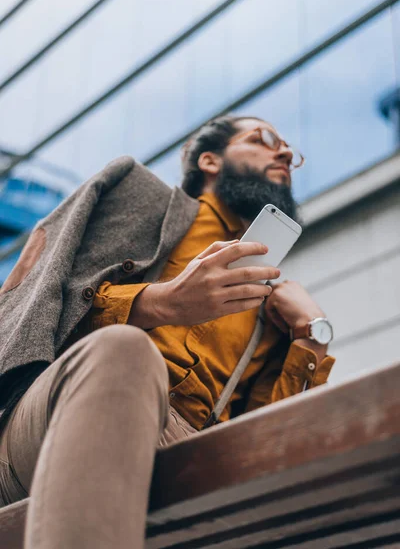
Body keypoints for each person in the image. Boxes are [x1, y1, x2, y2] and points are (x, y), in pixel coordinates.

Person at [0, 115, 335, 548]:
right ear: (209, 161)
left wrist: (311, 336)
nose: (286, 153)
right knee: (125, 351)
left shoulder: (268, 303)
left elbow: (267, 443)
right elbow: (30, 303)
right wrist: (162, 302)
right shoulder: (136, 197)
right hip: (51, 415)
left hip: (190, 457)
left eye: (292, 150)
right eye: (265, 139)